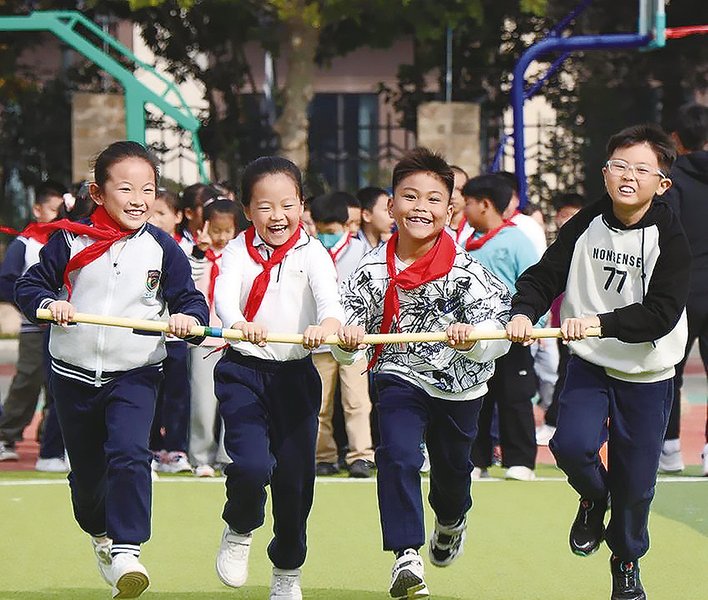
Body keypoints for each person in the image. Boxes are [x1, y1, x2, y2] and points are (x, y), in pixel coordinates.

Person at [14, 141, 209, 600]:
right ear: (98, 193)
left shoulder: (163, 247)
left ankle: (127, 550)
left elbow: (190, 300)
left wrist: (189, 318)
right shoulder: (68, 239)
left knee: (130, 453)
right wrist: (49, 303)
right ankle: (100, 535)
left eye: (148, 190)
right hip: (72, 374)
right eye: (126, 189)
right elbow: (30, 286)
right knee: (86, 480)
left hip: (136, 372)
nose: (139, 200)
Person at [507, 124, 689, 600]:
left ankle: (625, 560)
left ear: (661, 184)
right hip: (591, 363)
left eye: (641, 170)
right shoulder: (585, 223)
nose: (628, 176)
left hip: (648, 373)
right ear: (605, 173)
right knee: (570, 445)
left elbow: (662, 313)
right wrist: (524, 311)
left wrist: (599, 323)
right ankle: (593, 496)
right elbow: (545, 275)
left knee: (637, 483)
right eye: (619, 166)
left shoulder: (671, 237)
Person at [334, 147, 511, 600]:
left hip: (460, 386)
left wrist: (474, 339)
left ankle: (451, 521)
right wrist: (346, 339)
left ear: (450, 211)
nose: (420, 208)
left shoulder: (468, 271)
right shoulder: (370, 268)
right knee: (397, 454)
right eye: (410, 196)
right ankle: (406, 555)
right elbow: (347, 330)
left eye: (434, 199)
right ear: (391, 205)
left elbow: (500, 331)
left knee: (453, 476)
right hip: (400, 375)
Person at [211, 156, 343, 600]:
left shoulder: (313, 253)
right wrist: (238, 323)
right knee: (251, 465)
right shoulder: (236, 250)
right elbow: (225, 297)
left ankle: (287, 569)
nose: (278, 216)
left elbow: (330, 302)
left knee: (295, 483)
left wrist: (327, 326)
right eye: (265, 206)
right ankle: (240, 526)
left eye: (287, 205)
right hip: (243, 371)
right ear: (247, 209)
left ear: (302, 205)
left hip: (296, 377)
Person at [462, 173, 541, 481]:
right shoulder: (466, 244)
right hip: (475, 339)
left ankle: (520, 460)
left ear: (485, 204)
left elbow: (535, 285)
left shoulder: (516, 240)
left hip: (511, 335)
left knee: (515, 397)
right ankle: (476, 459)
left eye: (468, 203)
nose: (464, 210)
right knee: (475, 398)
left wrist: (533, 323)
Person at [0, 180, 67, 471]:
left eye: (61, 211)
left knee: (58, 385)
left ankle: (48, 437)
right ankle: (6, 435)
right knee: (28, 380)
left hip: (64, 327)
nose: (57, 216)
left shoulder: (68, 241)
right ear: (37, 210)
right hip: (33, 328)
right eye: (52, 210)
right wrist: (35, 309)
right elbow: (7, 282)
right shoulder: (24, 244)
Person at [309, 191, 374, 477]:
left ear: (346, 225)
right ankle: (324, 456)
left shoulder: (362, 252)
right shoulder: (310, 250)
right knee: (320, 404)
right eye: (320, 229)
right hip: (320, 338)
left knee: (356, 400)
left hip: (354, 339)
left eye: (331, 230)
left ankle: (361, 455)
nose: (326, 236)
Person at [660, 102, 708, 475]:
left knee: (667, 369)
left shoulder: (671, 180)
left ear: (675, 139)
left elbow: (664, 232)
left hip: (684, 289)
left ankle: (670, 448)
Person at [188, 197, 240, 477]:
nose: (221, 237)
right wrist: (199, 250)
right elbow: (187, 281)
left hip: (234, 338)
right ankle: (201, 458)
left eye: (227, 231)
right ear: (205, 226)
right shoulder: (195, 256)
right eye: (216, 230)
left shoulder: (239, 258)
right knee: (203, 403)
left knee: (234, 402)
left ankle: (228, 456)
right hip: (204, 339)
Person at [146, 189, 193, 475]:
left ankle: (176, 450)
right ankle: (151, 448)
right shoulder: (141, 247)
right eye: (150, 213)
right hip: (147, 336)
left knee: (177, 394)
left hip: (176, 338)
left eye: (161, 213)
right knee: (149, 393)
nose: (153, 219)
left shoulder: (189, 249)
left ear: (178, 216)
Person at [536, 192, 586, 446]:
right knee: (561, 371)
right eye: (564, 215)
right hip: (558, 321)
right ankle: (553, 420)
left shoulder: (588, 244)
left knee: (567, 372)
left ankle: (554, 422)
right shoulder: (556, 246)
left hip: (583, 323)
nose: (567, 220)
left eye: (573, 215)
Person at [356, 186, 394, 251]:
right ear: (366, 216)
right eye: (386, 210)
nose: (392, 215)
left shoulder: (390, 245)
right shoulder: (352, 247)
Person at [444, 166, 473, 246]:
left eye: (459, 190)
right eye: (448, 189)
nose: (453, 195)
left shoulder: (476, 228)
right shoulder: (432, 228)